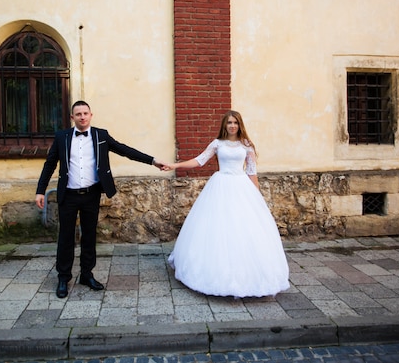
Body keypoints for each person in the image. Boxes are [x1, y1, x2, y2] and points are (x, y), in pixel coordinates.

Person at [36, 100, 165, 298]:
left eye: (85, 113)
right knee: (65, 237)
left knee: (89, 236)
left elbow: (125, 150)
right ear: (72, 117)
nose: (82, 117)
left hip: (91, 194)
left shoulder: (100, 135)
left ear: (91, 115)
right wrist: (40, 190)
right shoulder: (62, 137)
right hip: (68, 195)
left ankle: (87, 275)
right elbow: (50, 164)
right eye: (78, 114)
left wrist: (153, 161)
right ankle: (63, 278)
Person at [164, 110, 290, 297]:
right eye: (229, 122)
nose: (232, 125)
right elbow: (199, 161)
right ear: (225, 125)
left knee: (243, 228)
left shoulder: (246, 145)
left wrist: (257, 198)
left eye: (235, 123)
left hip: (241, 187)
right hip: (220, 186)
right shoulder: (217, 144)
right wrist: (175, 166)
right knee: (218, 228)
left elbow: (252, 172)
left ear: (240, 125)